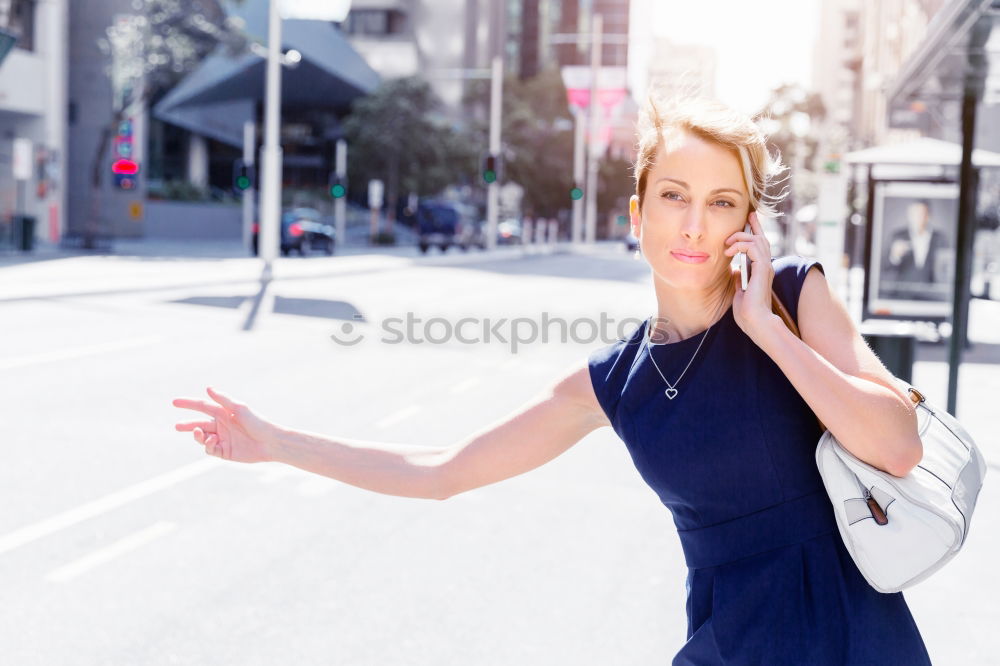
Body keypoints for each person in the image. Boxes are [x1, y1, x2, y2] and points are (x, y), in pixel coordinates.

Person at [172, 94, 931, 665]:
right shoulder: (613, 382)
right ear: (638, 213)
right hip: (729, 644)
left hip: (856, 635)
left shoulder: (796, 297)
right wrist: (276, 442)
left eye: (720, 202)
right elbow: (444, 471)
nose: (694, 225)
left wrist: (765, 329)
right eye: (674, 196)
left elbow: (897, 443)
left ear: (747, 223)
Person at [881, 198, 951, 300]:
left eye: (921, 214)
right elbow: (884, 267)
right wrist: (894, 256)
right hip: (902, 296)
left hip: (933, 296)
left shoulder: (940, 239)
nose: (917, 218)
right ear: (908, 216)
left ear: (928, 216)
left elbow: (947, 269)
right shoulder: (897, 236)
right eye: (913, 214)